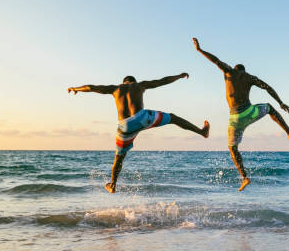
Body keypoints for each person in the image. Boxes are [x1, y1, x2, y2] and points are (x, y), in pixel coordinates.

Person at [193, 38, 289, 191]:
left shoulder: (229, 71)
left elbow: (216, 61)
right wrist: (281, 102)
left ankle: (244, 177)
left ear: (236, 69)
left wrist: (200, 50)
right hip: (250, 113)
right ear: (244, 71)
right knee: (269, 107)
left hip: (235, 119)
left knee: (233, 148)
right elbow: (268, 87)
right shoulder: (250, 77)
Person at [68, 73, 210, 193]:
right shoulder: (139, 85)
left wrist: (76, 89)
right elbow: (162, 81)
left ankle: (112, 184)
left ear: (123, 82)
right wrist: (179, 76)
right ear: (133, 82)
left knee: (119, 157)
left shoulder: (115, 89)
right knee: (173, 118)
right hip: (143, 118)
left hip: (125, 126)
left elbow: (91, 87)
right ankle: (201, 132)